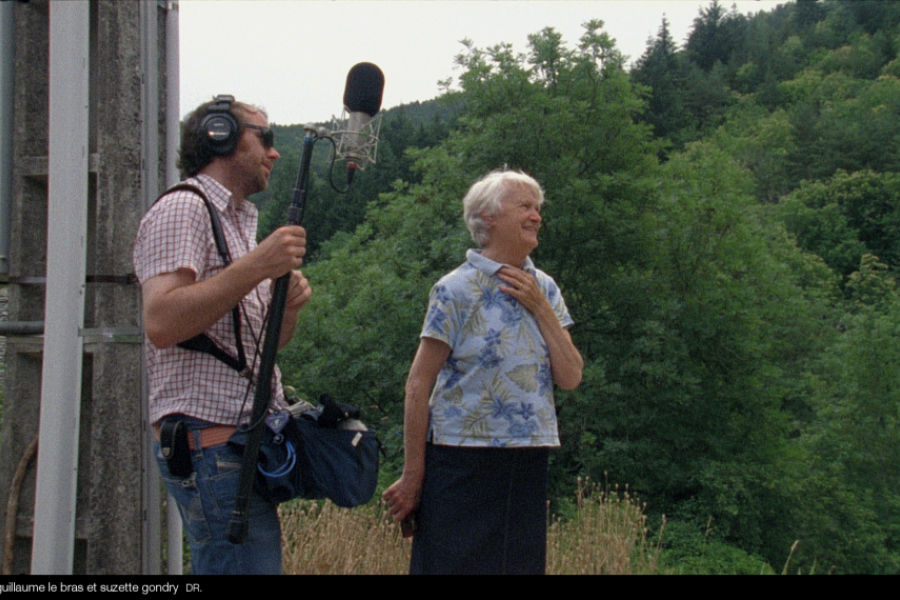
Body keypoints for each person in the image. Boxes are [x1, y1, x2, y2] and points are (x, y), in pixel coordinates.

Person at [133, 96, 311, 574]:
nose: (274, 153)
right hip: (211, 447)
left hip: (235, 447)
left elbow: (255, 352)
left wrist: (285, 309)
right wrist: (258, 266)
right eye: (264, 138)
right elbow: (163, 323)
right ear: (221, 136)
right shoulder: (183, 211)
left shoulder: (235, 223)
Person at [383, 169, 583, 574]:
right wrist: (413, 474)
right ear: (487, 217)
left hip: (527, 456)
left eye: (538, 208)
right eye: (524, 206)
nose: (536, 216)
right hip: (461, 458)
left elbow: (571, 376)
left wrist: (540, 308)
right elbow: (418, 385)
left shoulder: (544, 287)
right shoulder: (455, 289)